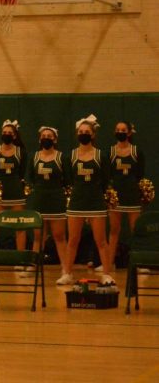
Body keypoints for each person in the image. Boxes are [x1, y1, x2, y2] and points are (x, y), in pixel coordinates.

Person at [65, 114, 114, 285]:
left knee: (101, 240)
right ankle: (67, 273)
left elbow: (106, 180)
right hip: (77, 202)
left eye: (87, 131)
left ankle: (107, 273)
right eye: (81, 131)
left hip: (96, 203)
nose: (83, 134)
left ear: (93, 135)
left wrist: (96, 194)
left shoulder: (101, 156)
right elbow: (68, 179)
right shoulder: (70, 156)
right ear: (77, 134)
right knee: (72, 240)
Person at [26, 126, 74, 285]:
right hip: (39, 199)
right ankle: (33, 264)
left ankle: (66, 270)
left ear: (55, 140)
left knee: (60, 236)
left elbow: (68, 180)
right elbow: (30, 178)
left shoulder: (62, 157)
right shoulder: (33, 157)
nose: (47, 138)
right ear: (40, 139)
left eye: (50, 136)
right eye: (44, 136)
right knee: (38, 236)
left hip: (56, 200)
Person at [106, 121, 145, 272]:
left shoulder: (136, 151)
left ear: (129, 133)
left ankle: (139, 264)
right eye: (117, 130)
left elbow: (140, 175)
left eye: (123, 130)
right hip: (116, 196)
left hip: (132, 195)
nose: (120, 132)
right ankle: (109, 264)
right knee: (114, 230)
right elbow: (107, 175)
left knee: (135, 230)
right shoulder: (110, 152)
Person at [0, 120, 28, 255]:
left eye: (9, 133)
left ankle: (20, 258)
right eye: (4, 133)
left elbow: (22, 173)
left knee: (20, 227)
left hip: (16, 193)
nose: (6, 135)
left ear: (15, 136)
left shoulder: (21, 152)